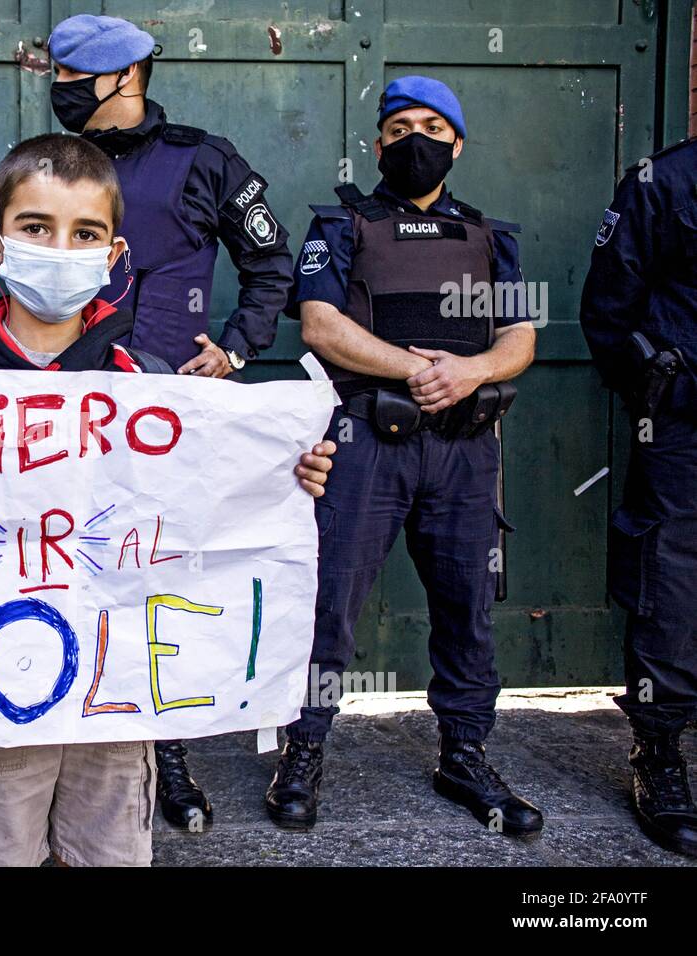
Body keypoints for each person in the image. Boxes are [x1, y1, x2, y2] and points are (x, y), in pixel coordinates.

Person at [0, 132, 336, 866]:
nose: (60, 247)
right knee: (3, 850)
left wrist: (283, 481)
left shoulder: (150, 386)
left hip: (118, 700)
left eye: (85, 234)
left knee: (112, 851)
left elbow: (205, 515)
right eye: (36, 228)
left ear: (113, 257)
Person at [271, 76, 542, 838]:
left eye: (430, 126)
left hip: (464, 452)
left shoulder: (493, 236)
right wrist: (421, 370)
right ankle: (304, 749)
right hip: (368, 444)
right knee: (330, 607)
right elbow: (321, 327)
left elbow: (519, 338)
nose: (412, 140)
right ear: (379, 142)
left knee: (468, 610)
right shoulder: (342, 225)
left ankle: (465, 752)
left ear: (457, 142)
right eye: (397, 128)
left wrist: (473, 370)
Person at [47, 12, 296, 829]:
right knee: (68, 572)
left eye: (72, 76)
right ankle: (70, 733)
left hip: (166, 412)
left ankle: (170, 756)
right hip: (68, 410)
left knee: (159, 577)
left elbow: (270, 263)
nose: (58, 89)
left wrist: (233, 350)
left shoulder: (204, 157)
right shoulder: (52, 164)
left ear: (123, 79)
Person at [579, 137, 697, 857]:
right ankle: (658, 754)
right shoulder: (666, 182)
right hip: (686, 424)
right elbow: (609, 311)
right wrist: (662, 391)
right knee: (672, 584)